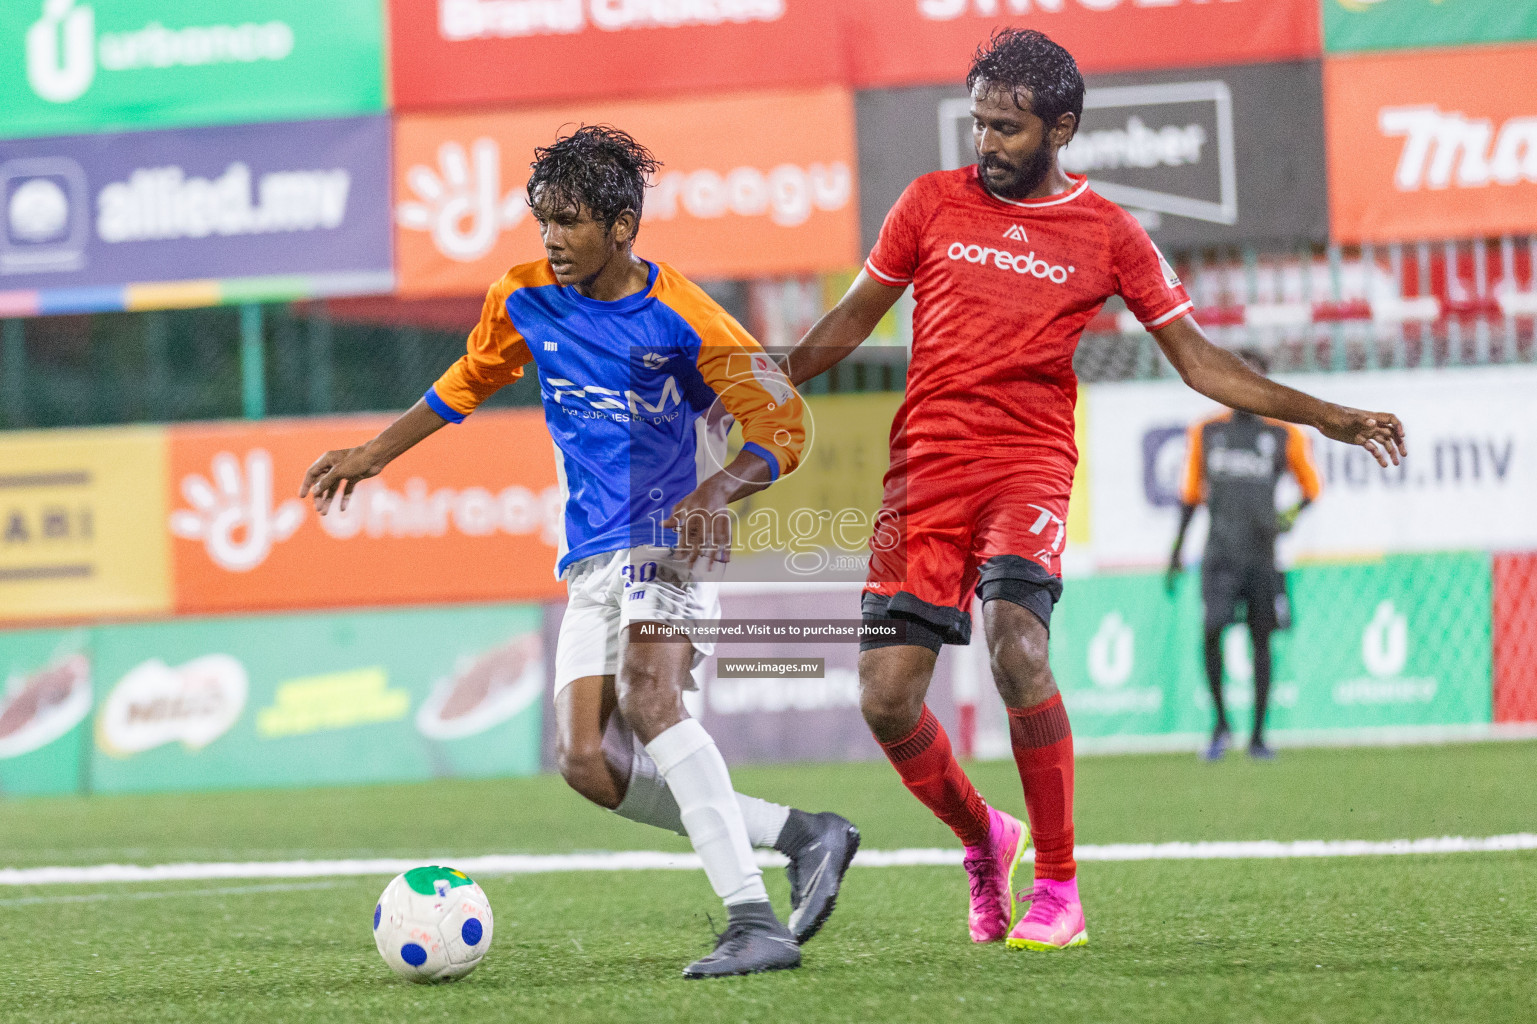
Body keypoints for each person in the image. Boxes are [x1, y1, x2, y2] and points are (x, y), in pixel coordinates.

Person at [779, 29, 1405, 952]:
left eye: (1008, 128)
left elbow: (1198, 362)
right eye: (979, 124)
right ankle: (984, 839)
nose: (987, 144)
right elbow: (847, 322)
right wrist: (754, 385)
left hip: (1026, 467)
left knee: (1016, 648)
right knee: (884, 699)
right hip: (923, 475)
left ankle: (1059, 889)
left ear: (1060, 127)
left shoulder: (1108, 233)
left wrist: (1321, 414)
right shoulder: (928, 204)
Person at [301, 126, 858, 979]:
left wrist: (716, 492)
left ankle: (752, 919)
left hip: (667, 538)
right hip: (591, 554)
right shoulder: (523, 296)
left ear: (623, 225)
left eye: (568, 222)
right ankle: (800, 834)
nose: (552, 240)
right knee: (587, 764)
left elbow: (783, 425)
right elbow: (468, 379)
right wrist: (374, 452)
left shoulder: (688, 318)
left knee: (650, 702)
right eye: (542, 223)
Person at [1165, 349, 1323, 761]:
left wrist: (1287, 516)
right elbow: (1189, 496)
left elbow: (1311, 488)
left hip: (1262, 557)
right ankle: (1220, 724)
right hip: (1218, 555)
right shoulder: (1206, 432)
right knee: (1212, 631)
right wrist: (1176, 553)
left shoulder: (1285, 435)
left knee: (1261, 641)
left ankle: (1258, 735)